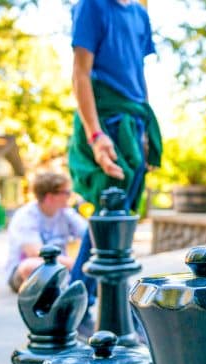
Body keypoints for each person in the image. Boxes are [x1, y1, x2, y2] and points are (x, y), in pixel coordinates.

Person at [67, 0, 162, 331]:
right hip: (106, 120)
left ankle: (85, 302)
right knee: (109, 217)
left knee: (122, 220)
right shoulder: (91, 7)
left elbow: (139, 73)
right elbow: (80, 73)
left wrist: (147, 130)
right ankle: (77, 302)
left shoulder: (139, 14)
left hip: (134, 121)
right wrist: (95, 136)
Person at [5, 171, 88, 293]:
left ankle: (64, 286)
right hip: (25, 270)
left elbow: (88, 235)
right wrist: (78, 266)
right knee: (31, 266)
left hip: (61, 268)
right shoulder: (26, 216)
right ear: (50, 197)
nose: (70, 196)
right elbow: (36, 253)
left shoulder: (66, 212)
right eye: (66, 193)